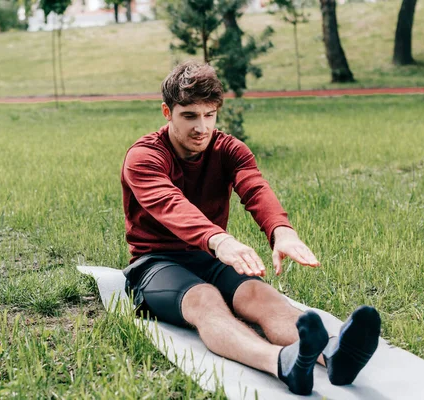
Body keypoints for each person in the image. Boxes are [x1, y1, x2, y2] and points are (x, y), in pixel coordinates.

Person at [121, 60, 381, 396]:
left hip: (209, 256)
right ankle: (282, 363)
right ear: (167, 113)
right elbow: (170, 204)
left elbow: (255, 189)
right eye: (189, 116)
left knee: (259, 294)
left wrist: (281, 231)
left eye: (209, 115)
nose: (202, 127)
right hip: (156, 262)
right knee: (206, 300)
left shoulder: (230, 149)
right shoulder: (144, 157)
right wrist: (219, 239)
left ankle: (332, 354)